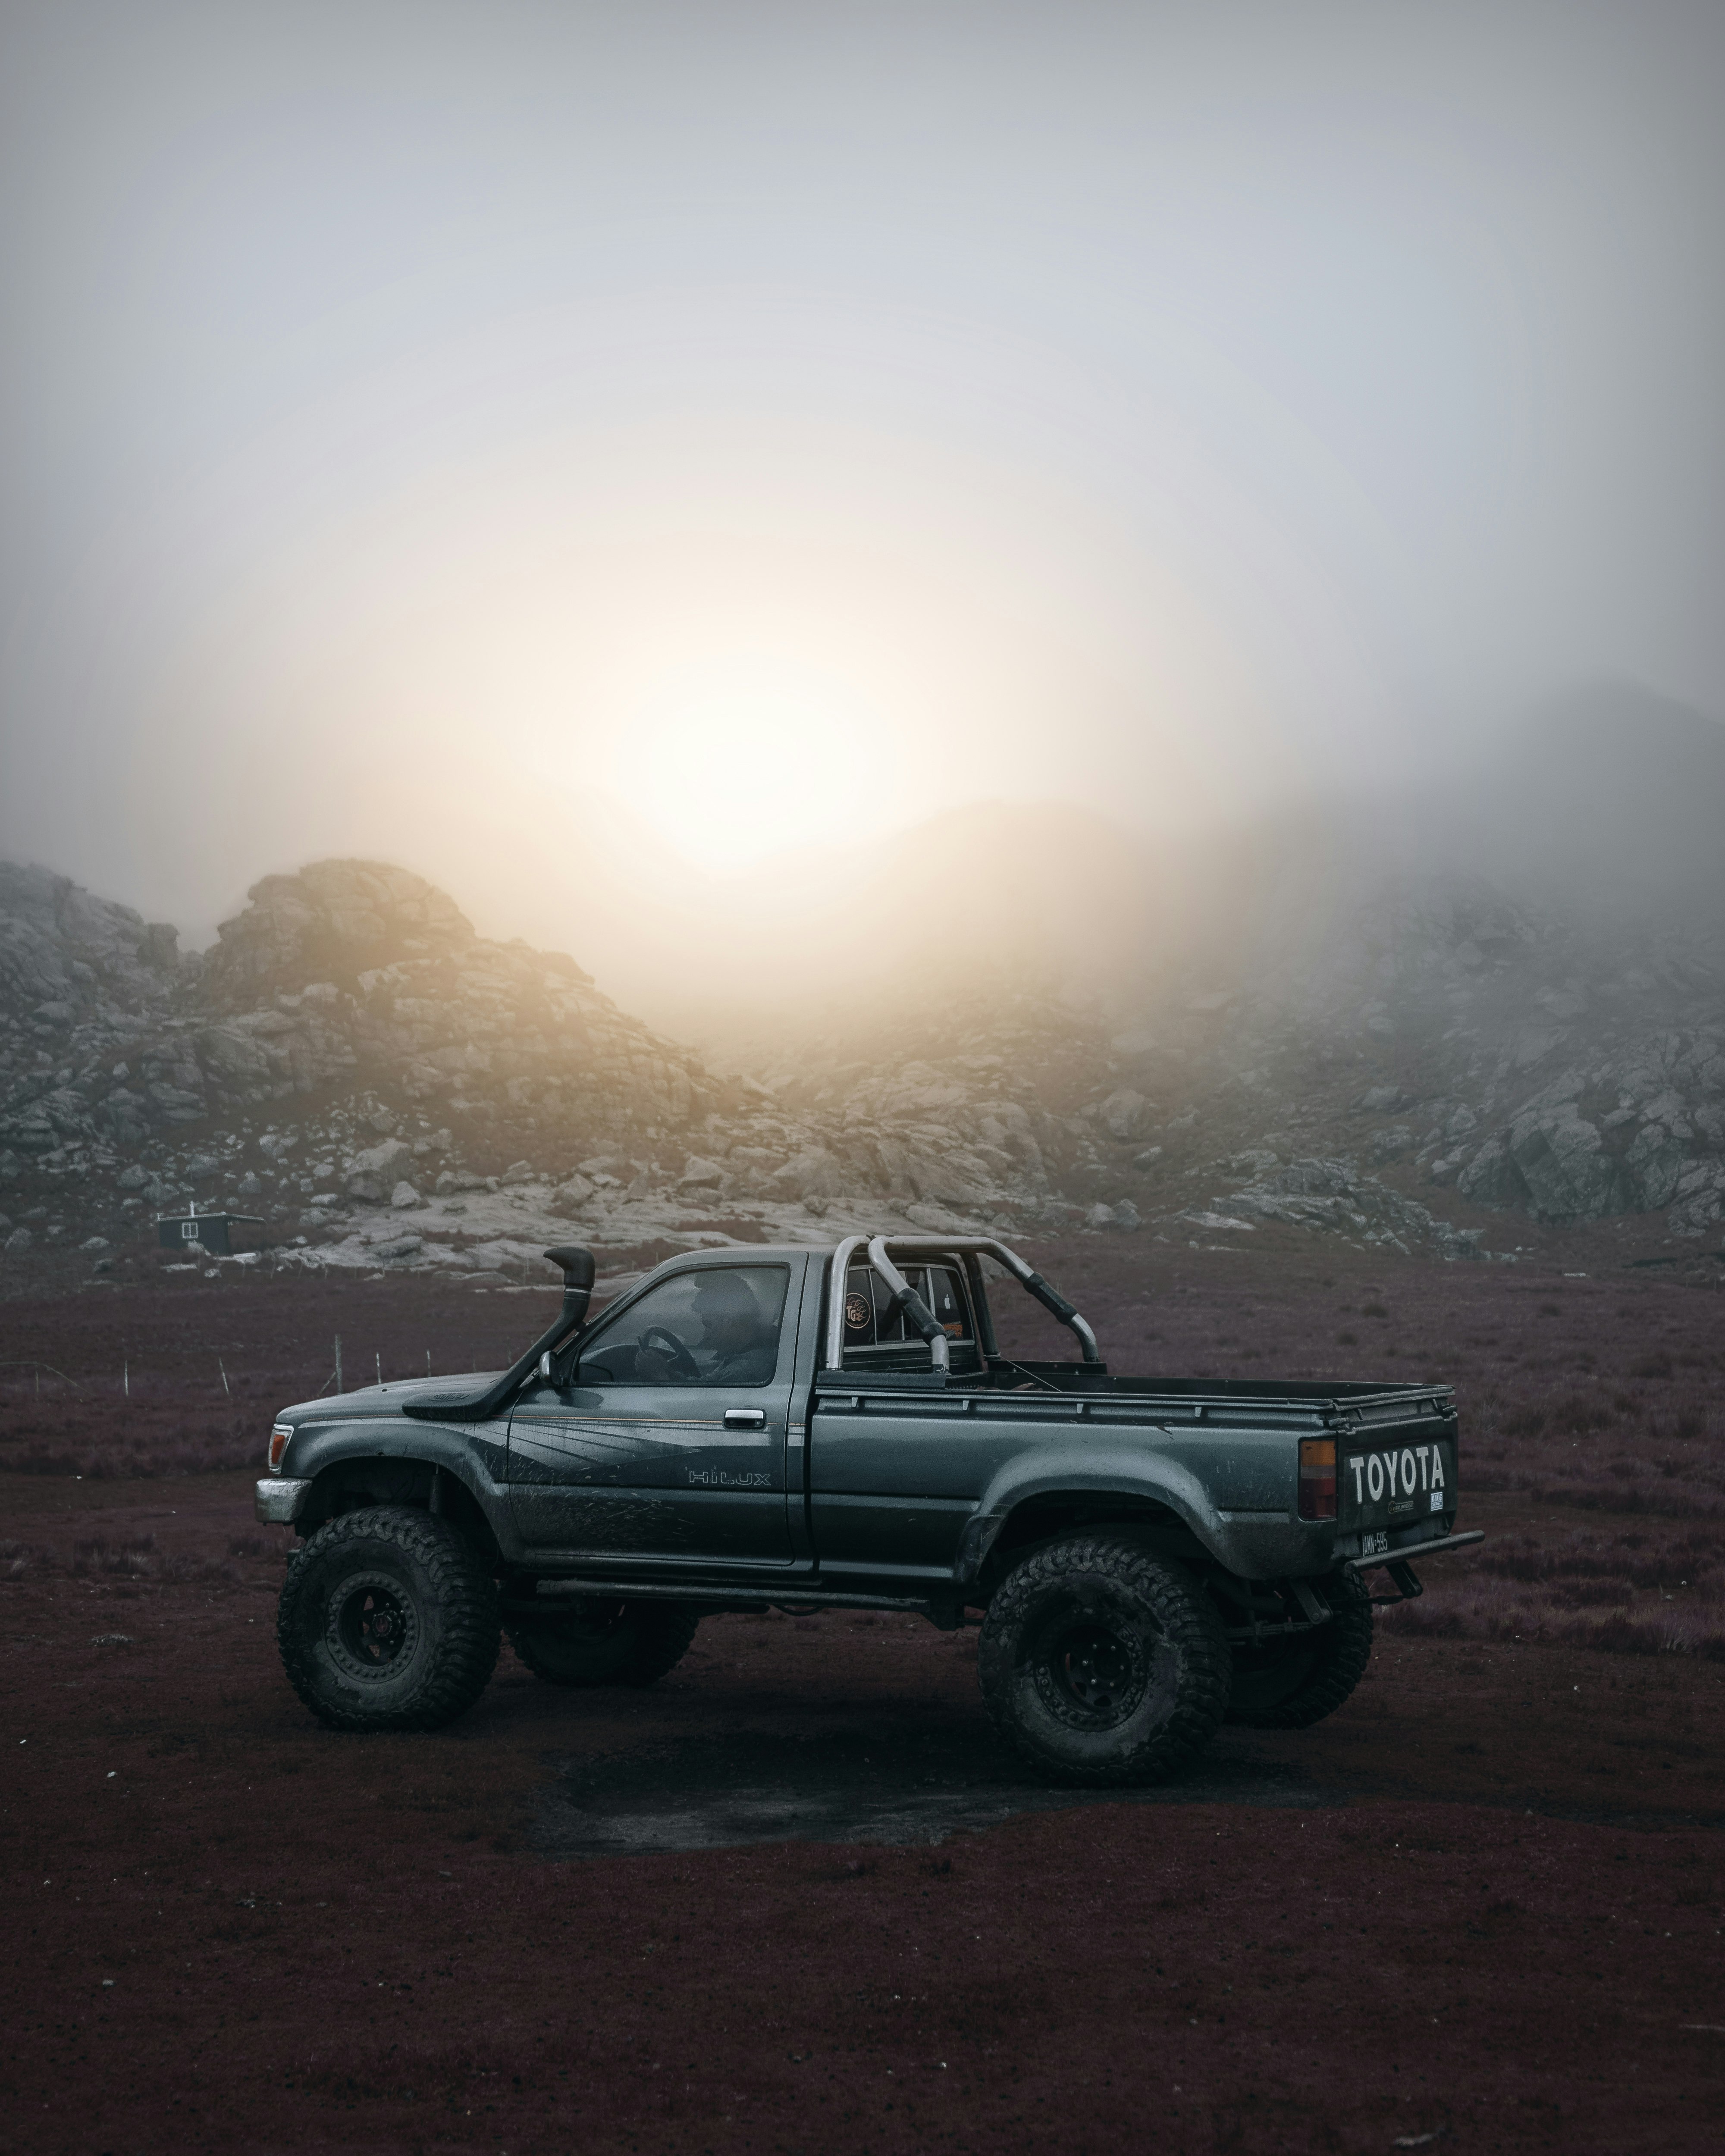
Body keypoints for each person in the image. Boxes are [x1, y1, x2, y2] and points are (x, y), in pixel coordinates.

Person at [689, 1271, 778, 1384]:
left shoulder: (742, 1370)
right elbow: (706, 1382)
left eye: (709, 1325)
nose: (706, 1336)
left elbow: (701, 1397)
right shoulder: (742, 1353)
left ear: (728, 1319)